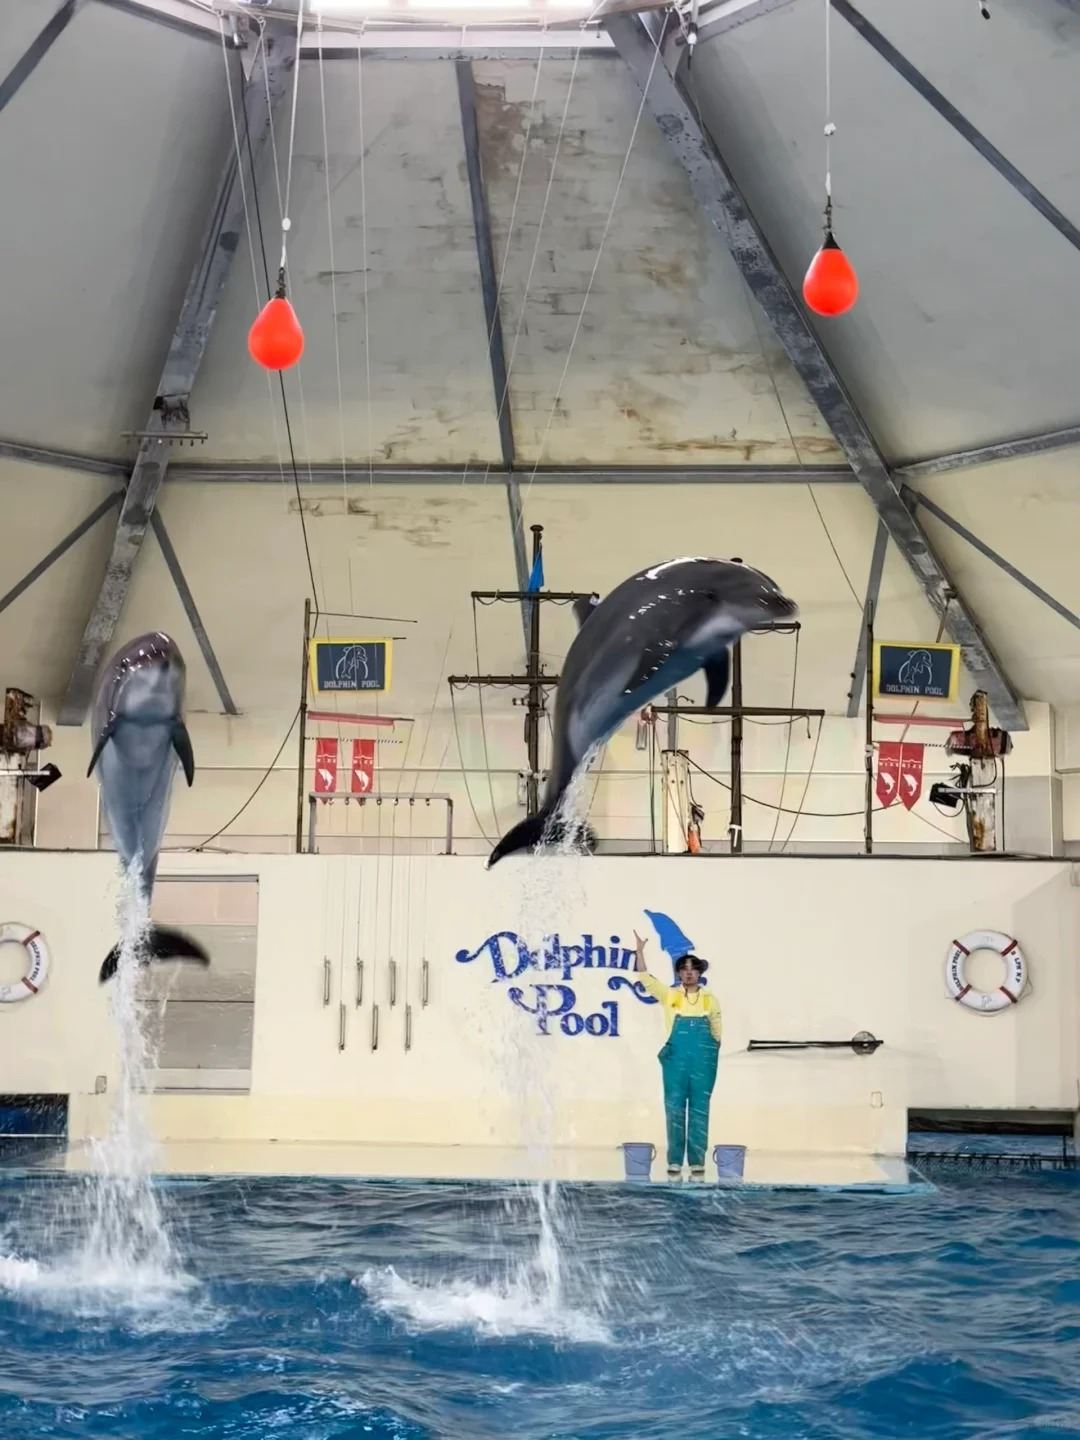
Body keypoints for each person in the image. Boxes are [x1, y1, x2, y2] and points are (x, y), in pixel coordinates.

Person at [633, 929, 722, 1180]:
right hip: (676, 1059)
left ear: (700, 973)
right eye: (684, 968)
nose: (689, 972)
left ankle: (697, 1162)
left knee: (700, 1108)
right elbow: (645, 979)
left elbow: (716, 1028)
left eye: (694, 968)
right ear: (679, 973)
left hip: (703, 1058)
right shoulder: (670, 995)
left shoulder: (710, 1000)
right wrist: (639, 951)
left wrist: (713, 1048)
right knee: (674, 1107)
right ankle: (674, 1160)